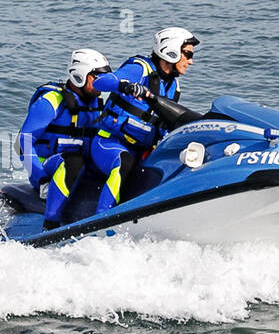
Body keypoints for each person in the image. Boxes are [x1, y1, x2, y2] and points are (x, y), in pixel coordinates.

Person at [89, 27, 199, 214]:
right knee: (122, 162)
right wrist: (125, 86)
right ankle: (101, 219)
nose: (191, 61)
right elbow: (100, 82)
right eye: (187, 54)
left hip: (142, 150)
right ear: (171, 50)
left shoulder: (174, 86)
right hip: (109, 142)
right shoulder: (140, 68)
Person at [17, 49, 110, 229]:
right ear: (79, 76)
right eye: (97, 77)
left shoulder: (97, 103)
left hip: (81, 167)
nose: (103, 83)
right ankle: (50, 223)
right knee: (74, 161)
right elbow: (23, 143)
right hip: (49, 167)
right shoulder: (51, 101)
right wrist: (41, 179)